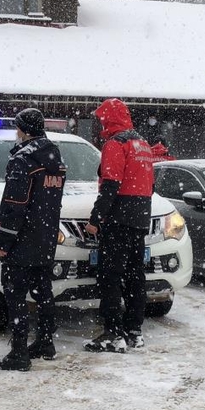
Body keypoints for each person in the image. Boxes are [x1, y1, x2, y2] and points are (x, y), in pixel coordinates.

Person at [0, 108, 67, 372]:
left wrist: (5, 242)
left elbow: (14, 205)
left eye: (17, 128)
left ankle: (19, 352)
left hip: (23, 239)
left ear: (23, 130)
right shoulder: (55, 160)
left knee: (15, 295)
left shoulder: (22, 160)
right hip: (46, 236)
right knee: (43, 291)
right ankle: (46, 343)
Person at [83, 98, 154, 354]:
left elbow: (111, 184)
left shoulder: (116, 144)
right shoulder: (142, 144)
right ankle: (134, 330)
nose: (100, 122)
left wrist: (95, 219)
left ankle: (113, 333)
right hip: (141, 216)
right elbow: (150, 185)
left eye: (102, 118)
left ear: (109, 119)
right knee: (135, 276)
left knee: (110, 275)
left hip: (119, 217)